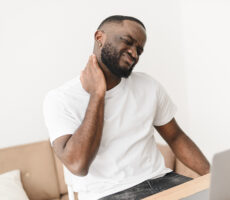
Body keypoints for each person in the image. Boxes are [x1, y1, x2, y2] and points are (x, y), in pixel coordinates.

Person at [43, 15, 210, 200]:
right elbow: (77, 165)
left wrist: (213, 178)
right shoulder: (60, 99)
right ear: (100, 38)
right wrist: (97, 95)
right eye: (127, 42)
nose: (134, 53)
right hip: (107, 194)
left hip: (162, 180)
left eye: (139, 49)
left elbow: (176, 137)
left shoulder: (148, 86)